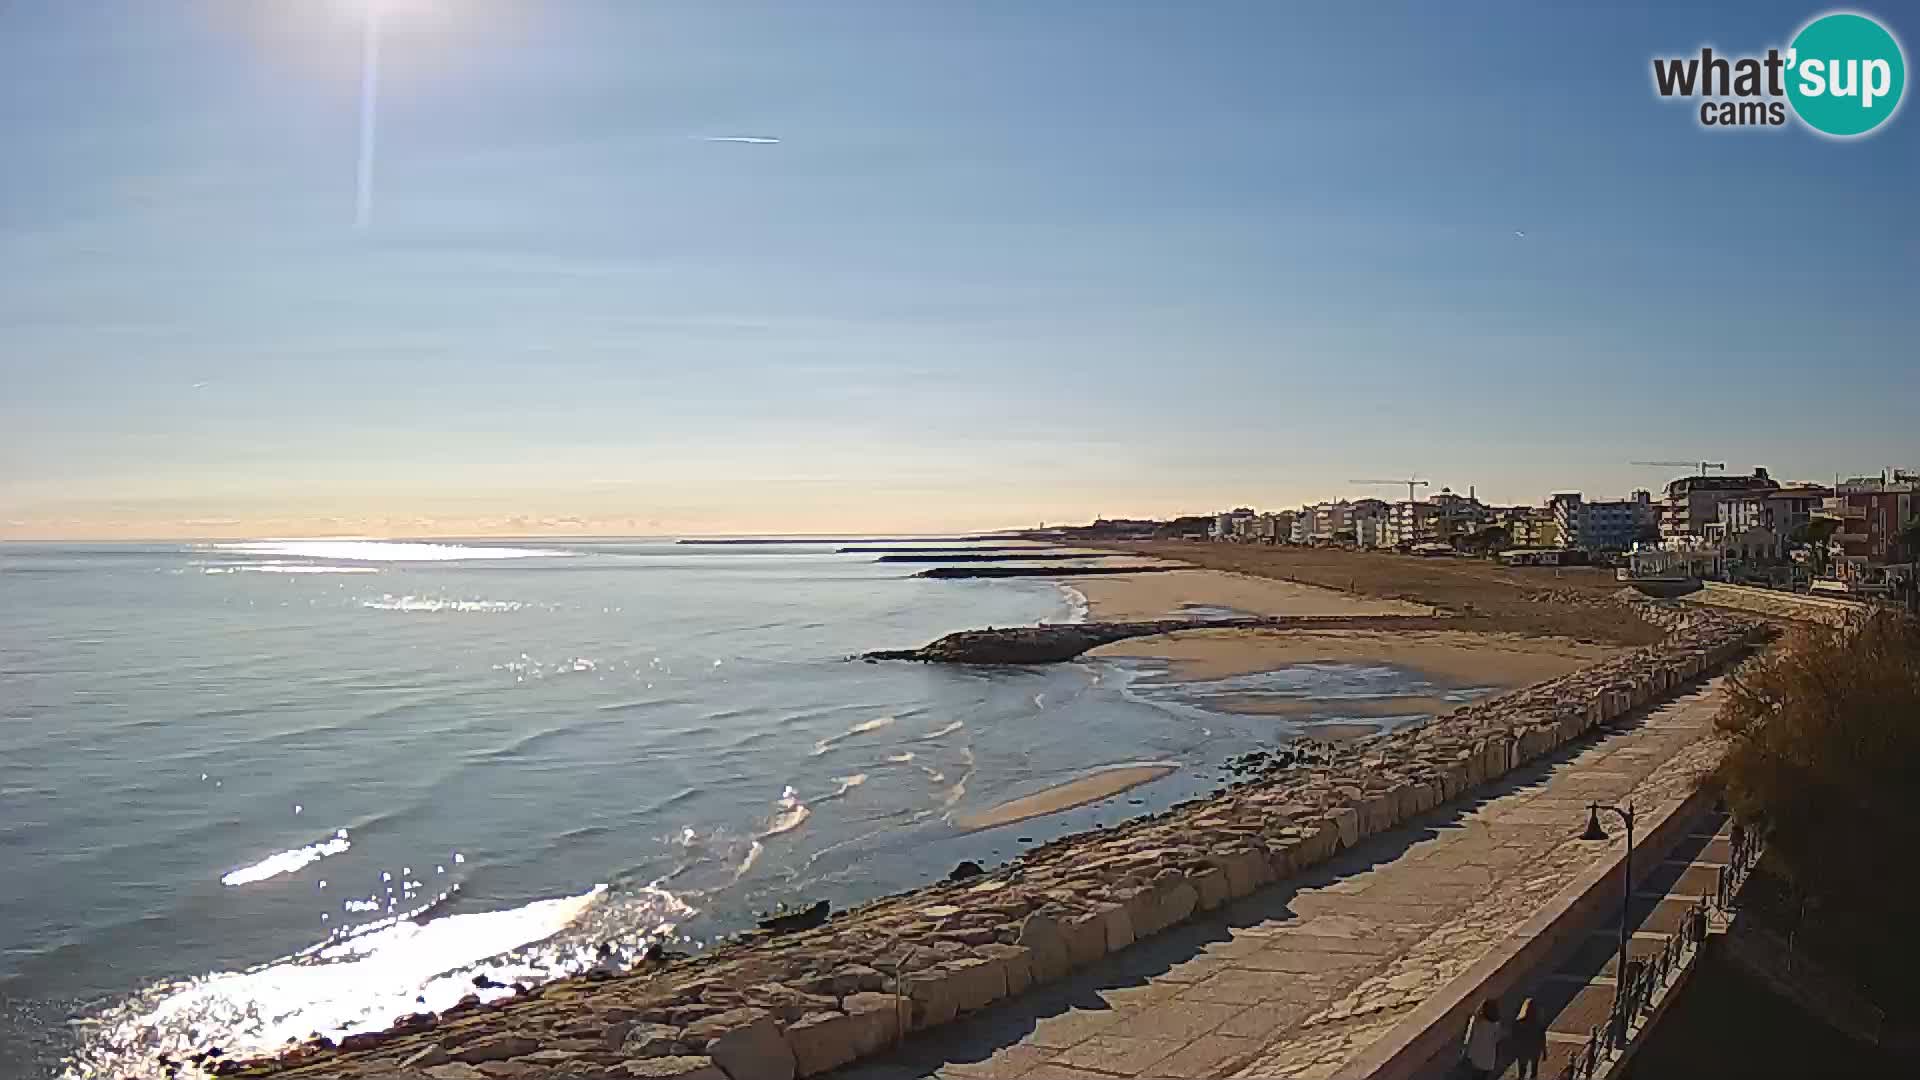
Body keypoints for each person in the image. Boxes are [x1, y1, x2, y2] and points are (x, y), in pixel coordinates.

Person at [1463, 998, 1502, 1079]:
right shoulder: (1496, 1025)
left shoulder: (1478, 1022)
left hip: (1476, 1059)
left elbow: (1469, 1034)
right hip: (1488, 1061)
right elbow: (1497, 1039)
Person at [1510, 997, 1546, 1079]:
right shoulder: (1537, 1022)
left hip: (1524, 1051)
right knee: (1533, 1071)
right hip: (1533, 1050)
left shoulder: (1519, 1023)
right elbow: (1542, 1037)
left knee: (1523, 1072)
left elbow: (1514, 1038)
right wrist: (1544, 1051)